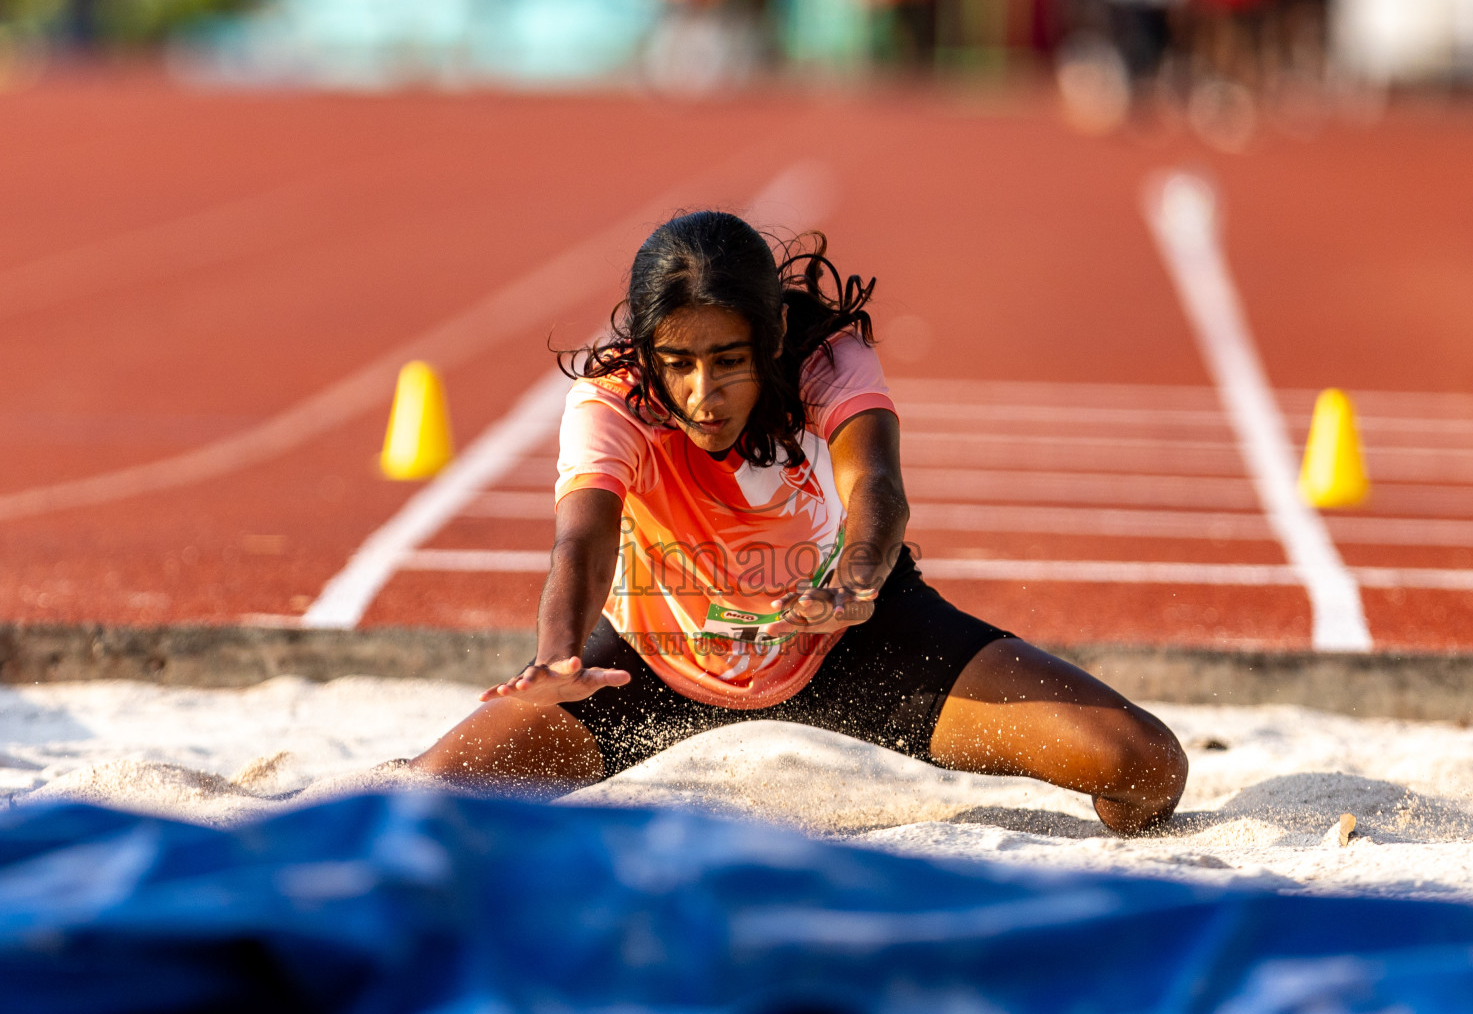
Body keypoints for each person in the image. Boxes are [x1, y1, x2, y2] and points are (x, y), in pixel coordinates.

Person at [411, 211, 1187, 836]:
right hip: (651, 658)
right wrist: (555, 657)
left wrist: (855, 583)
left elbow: (877, 487)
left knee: (1149, 769)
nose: (702, 393)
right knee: (426, 800)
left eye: (727, 360)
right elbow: (583, 538)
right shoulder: (612, 399)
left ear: (772, 337)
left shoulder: (828, 363)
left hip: (849, 634)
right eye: (677, 362)